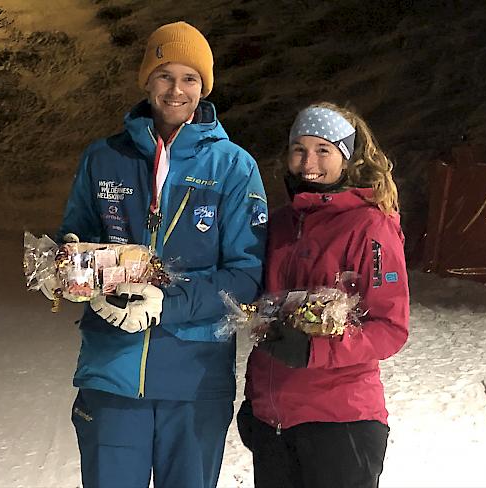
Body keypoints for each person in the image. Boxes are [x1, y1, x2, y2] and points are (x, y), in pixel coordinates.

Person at [55, 21, 268, 488]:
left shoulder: (233, 166)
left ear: (204, 87)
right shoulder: (103, 157)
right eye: (164, 75)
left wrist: (165, 305)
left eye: (189, 78)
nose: (176, 89)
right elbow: (75, 234)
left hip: (194, 379)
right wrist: (75, 270)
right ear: (147, 81)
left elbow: (246, 273)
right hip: (112, 371)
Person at [237, 102, 409, 488]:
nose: (308, 161)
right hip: (274, 422)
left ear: (346, 159)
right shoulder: (280, 223)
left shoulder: (371, 226)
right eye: (299, 149)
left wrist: (316, 351)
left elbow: (390, 328)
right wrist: (256, 399)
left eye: (323, 150)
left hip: (340, 422)